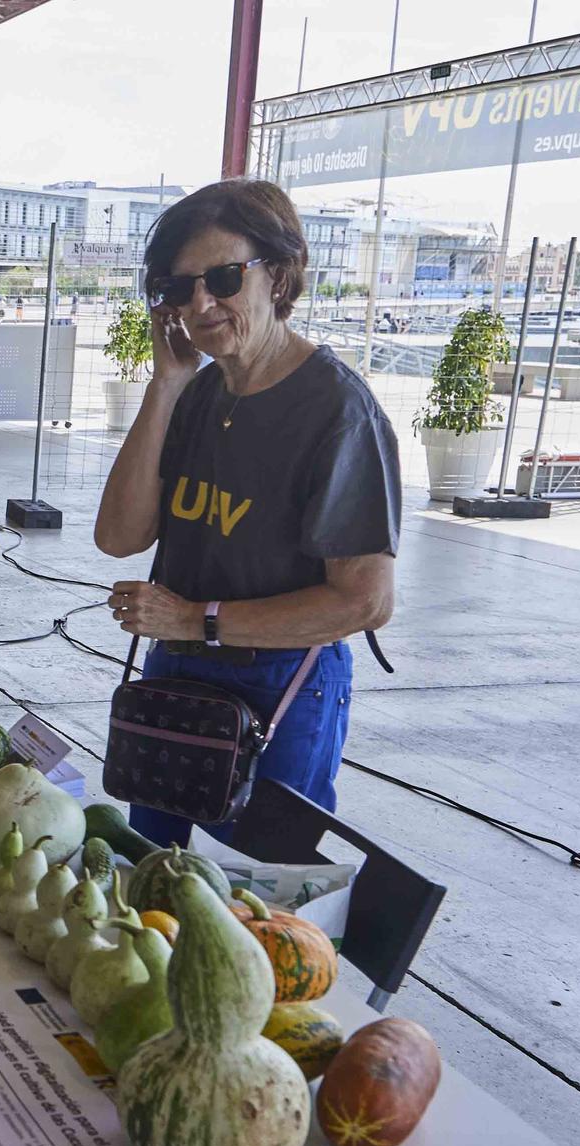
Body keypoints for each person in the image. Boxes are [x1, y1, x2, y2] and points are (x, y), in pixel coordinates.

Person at [94, 177, 398, 849]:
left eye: (223, 277)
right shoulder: (196, 394)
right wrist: (166, 384)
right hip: (177, 677)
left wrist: (195, 619)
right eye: (179, 288)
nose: (201, 302)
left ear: (279, 275)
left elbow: (365, 601)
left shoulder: (337, 412)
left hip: (278, 687)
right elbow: (118, 535)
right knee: (152, 883)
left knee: (255, 910)